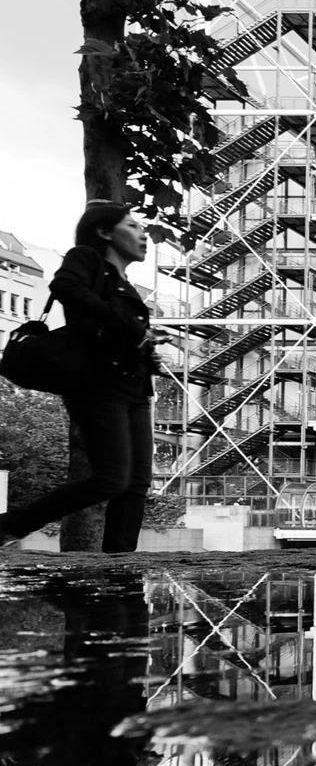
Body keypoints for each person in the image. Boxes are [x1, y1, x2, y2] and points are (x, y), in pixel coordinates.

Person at [0, 204, 163, 553]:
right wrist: (122, 322)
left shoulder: (125, 284)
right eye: (132, 226)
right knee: (110, 479)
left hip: (134, 386)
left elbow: (122, 334)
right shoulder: (87, 258)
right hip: (98, 385)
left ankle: (121, 563)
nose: (143, 234)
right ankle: (9, 526)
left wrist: (146, 346)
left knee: (135, 484)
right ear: (105, 232)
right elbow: (65, 285)